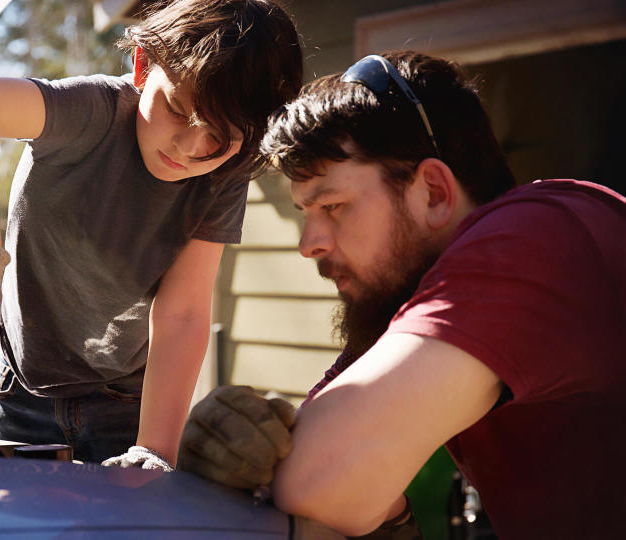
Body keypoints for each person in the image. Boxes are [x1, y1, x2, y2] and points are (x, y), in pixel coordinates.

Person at [178, 50, 626, 539]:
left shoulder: (537, 236)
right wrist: (237, 443)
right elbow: (317, 479)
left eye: (333, 205)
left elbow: (315, 476)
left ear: (433, 192)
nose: (309, 244)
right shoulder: (405, 297)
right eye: (307, 213)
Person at [0, 0, 303, 467]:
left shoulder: (224, 176)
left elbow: (181, 313)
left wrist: (154, 449)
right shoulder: (90, 113)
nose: (190, 148)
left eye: (221, 138)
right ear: (142, 66)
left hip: (130, 407)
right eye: (178, 109)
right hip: (23, 396)